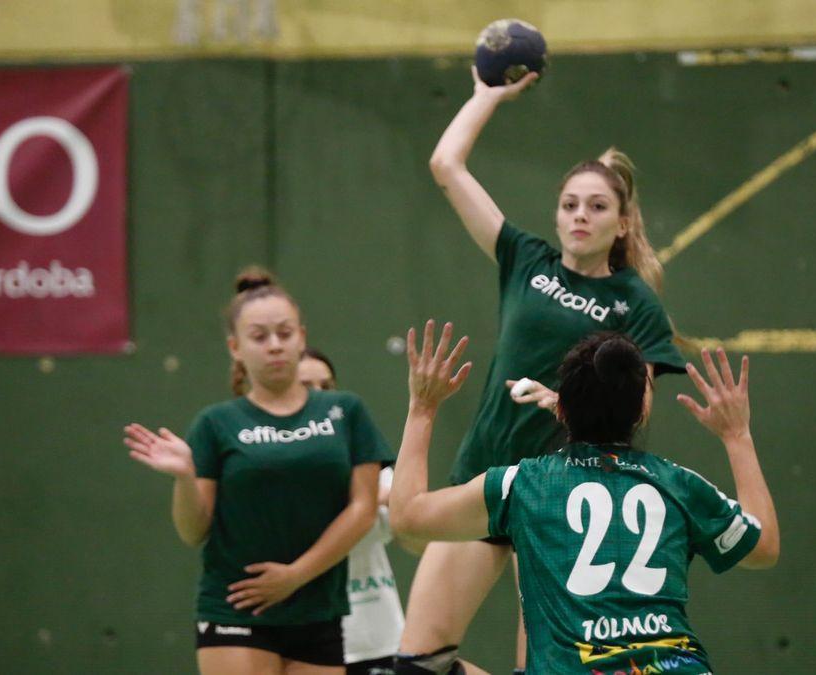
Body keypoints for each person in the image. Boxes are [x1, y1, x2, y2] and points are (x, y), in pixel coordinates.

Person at [398, 67, 687, 673]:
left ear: (623, 221)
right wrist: (486, 95)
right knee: (417, 663)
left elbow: (636, 411)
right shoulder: (525, 260)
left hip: (561, 498)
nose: (581, 215)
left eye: (597, 205)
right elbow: (446, 166)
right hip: (484, 479)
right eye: (569, 204)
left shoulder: (635, 303)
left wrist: (562, 401)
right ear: (556, 216)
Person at [390, 322, 778, 674]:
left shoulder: (523, 484)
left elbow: (407, 516)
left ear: (560, 408)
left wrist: (422, 408)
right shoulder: (680, 485)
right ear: (641, 411)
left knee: (423, 669)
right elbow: (764, 548)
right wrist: (737, 436)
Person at [125, 268, 392, 674]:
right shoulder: (215, 424)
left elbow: (363, 509)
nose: (274, 346)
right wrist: (184, 478)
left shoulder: (346, 411)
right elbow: (193, 530)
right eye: (259, 336)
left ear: (301, 336)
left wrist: (295, 576)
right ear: (235, 347)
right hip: (236, 608)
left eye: (285, 334)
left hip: (318, 609)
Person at [298, 349, 409, 675]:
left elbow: (401, 505)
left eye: (327, 385)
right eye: (306, 385)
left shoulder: (364, 455)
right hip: (309, 642)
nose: (319, 395)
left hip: (381, 639)